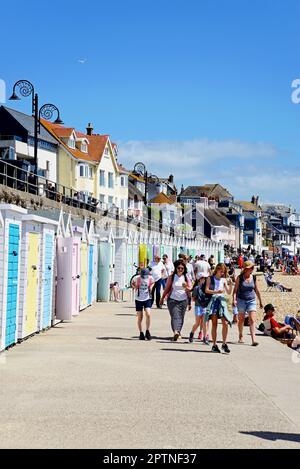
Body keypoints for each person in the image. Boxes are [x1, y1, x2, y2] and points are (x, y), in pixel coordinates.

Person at [232, 260, 263, 346]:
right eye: (250, 268)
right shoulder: (240, 278)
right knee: (241, 319)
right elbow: (235, 291)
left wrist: (260, 301)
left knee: (252, 320)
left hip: (251, 300)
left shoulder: (254, 277)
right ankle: (241, 335)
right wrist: (234, 300)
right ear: (245, 269)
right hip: (241, 300)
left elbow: (256, 290)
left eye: (252, 268)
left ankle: (253, 340)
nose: (252, 269)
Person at [160, 260, 192, 341]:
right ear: (176, 268)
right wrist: (162, 298)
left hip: (183, 300)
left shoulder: (186, 277)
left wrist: (189, 301)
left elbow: (190, 290)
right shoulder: (172, 277)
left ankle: (178, 332)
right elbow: (167, 288)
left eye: (182, 268)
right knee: (175, 316)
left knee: (181, 317)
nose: (180, 269)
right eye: (179, 268)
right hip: (172, 300)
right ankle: (175, 332)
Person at [204, 263, 233, 353]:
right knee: (214, 324)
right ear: (217, 270)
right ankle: (214, 344)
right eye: (221, 271)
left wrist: (231, 285)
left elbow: (228, 292)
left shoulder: (223, 280)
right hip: (213, 301)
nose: (222, 273)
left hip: (222, 301)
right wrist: (216, 291)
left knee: (225, 322)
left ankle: (224, 343)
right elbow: (206, 290)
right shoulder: (210, 278)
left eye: (223, 272)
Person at [131, 268, 154, 340]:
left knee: (148, 314)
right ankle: (141, 333)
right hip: (138, 299)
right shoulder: (136, 278)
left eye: (145, 276)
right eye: (143, 276)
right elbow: (132, 283)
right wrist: (135, 286)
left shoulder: (150, 278)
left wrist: (151, 287)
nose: (144, 278)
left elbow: (153, 283)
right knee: (140, 317)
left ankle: (147, 331)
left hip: (147, 298)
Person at [189, 275, 210, 344]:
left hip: (205, 307)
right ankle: (192, 333)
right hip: (198, 306)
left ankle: (205, 337)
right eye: (202, 279)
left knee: (204, 322)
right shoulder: (196, 288)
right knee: (197, 323)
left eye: (205, 280)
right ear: (199, 280)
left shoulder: (208, 288)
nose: (204, 281)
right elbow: (193, 298)